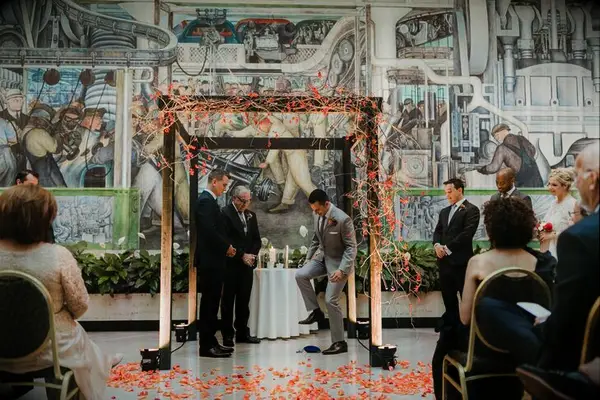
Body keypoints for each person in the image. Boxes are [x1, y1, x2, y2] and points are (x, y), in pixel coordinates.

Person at [475, 142, 599, 373]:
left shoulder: (580, 237)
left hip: (579, 352)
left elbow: (570, 313)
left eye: (578, 175)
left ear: (592, 180)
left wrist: (546, 323)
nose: (576, 182)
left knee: (489, 307)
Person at [0, 185, 121, 400]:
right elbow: (79, 305)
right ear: (43, 219)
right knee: (75, 338)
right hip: (48, 352)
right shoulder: (58, 256)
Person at [431, 197, 555, 399]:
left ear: (491, 229)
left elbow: (465, 318)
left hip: (484, 349)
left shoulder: (478, 262)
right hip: (529, 350)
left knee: (443, 348)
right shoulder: (542, 264)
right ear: (528, 228)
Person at [295, 189, 357, 355]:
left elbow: (352, 248)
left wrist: (342, 270)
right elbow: (316, 239)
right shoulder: (317, 214)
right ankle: (316, 312)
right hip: (322, 258)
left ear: (327, 204)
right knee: (300, 275)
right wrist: (309, 259)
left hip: (338, 264)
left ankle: (339, 343)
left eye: (318, 209)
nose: (316, 212)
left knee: (331, 300)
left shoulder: (343, 219)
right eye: (314, 210)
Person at [195, 169, 237, 358]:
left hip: (214, 261)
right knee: (209, 304)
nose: (225, 189)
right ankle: (206, 345)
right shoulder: (205, 201)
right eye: (224, 184)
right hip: (209, 261)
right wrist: (226, 246)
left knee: (213, 304)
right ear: (214, 182)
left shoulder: (209, 201)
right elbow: (208, 231)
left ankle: (212, 342)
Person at [432, 178, 480, 329]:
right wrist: (437, 245)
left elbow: (467, 235)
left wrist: (446, 249)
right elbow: (438, 231)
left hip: (461, 263)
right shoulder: (444, 211)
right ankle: (451, 331)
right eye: (445, 192)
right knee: (448, 299)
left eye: (450, 191)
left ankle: (467, 332)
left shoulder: (471, 210)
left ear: (459, 190)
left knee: (465, 297)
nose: (447, 195)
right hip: (444, 263)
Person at [220, 186, 261, 347]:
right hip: (230, 265)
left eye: (248, 201)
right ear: (234, 199)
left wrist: (251, 256)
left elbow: (256, 239)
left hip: (247, 265)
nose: (246, 204)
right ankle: (227, 334)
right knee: (228, 301)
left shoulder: (252, 215)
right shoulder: (225, 213)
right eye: (243, 201)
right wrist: (241, 255)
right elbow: (226, 240)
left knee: (244, 301)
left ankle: (243, 332)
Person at [477, 124, 544, 188]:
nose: (496, 139)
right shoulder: (522, 138)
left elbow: (493, 168)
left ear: (504, 131)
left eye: (496, 135)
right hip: (536, 178)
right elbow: (533, 150)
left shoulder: (502, 148)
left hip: (522, 183)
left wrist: (482, 169)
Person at [540, 168, 577, 258]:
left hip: (565, 251)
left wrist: (553, 235)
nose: (550, 188)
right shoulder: (554, 203)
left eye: (554, 185)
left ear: (564, 186)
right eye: (549, 184)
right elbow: (545, 223)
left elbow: (575, 231)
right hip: (551, 249)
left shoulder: (572, 204)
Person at [14, 169, 55, 244]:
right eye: (31, 186)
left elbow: (49, 236)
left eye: (36, 187)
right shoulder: (7, 205)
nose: (34, 190)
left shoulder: (41, 206)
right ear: (19, 182)